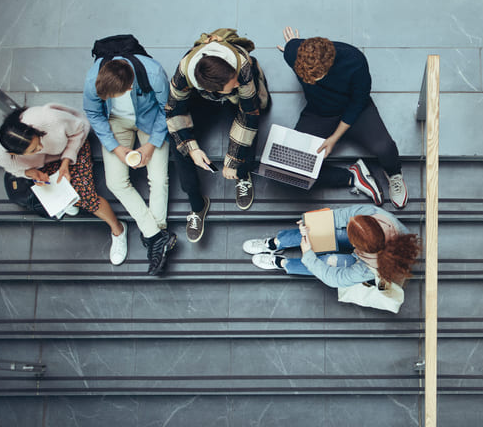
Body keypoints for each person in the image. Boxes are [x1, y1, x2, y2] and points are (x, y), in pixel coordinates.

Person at [278, 26, 408, 208]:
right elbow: (294, 48)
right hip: (319, 113)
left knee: (385, 148)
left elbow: (358, 102)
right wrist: (293, 47)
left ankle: (394, 174)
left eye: (317, 77)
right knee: (288, 169)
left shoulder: (354, 61)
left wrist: (334, 139)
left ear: (330, 62)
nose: (313, 81)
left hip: (356, 110)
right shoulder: (294, 54)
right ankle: (353, 177)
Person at [166, 29, 270, 243]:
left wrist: (232, 161)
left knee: (251, 128)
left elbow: (248, 114)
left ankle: (242, 174)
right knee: (177, 143)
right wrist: (192, 148)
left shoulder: (240, 68)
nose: (238, 83)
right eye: (233, 84)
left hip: (236, 100)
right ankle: (197, 204)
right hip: (201, 98)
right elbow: (174, 111)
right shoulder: (183, 74)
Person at [0, 104, 128, 265]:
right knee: (53, 190)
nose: (41, 148)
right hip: (43, 165)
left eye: (39, 141)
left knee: (85, 196)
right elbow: (13, 168)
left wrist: (66, 162)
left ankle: (118, 229)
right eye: (33, 150)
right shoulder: (0, 155)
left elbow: (80, 129)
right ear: (14, 154)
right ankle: (68, 199)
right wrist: (30, 173)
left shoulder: (50, 119)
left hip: (73, 146)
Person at [83, 53, 177, 276]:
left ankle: (156, 236)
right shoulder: (92, 81)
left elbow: (168, 109)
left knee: (158, 178)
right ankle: (156, 236)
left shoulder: (152, 74)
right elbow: (94, 113)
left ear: (130, 85)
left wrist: (151, 145)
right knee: (115, 182)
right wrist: (115, 147)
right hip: (115, 124)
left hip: (150, 120)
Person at [241, 204, 419, 292]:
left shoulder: (371, 268)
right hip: (370, 247)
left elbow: (336, 279)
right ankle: (276, 243)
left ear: (359, 248)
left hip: (371, 260)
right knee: (318, 231)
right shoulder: (374, 214)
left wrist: (309, 255)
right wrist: (312, 223)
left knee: (326, 263)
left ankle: (283, 263)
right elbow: (343, 215)